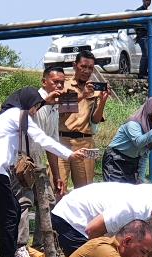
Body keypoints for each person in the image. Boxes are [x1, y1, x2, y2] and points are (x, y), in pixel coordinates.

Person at [0, 87, 87, 257]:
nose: (35, 112)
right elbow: (42, 139)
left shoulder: (8, 115)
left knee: (12, 210)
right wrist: (70, 154)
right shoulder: (17, 115)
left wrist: (47, 101)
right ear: (27, 105)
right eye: (34, 107)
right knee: (10, 213)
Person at [10, 66, 65, 257]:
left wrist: (57, 174)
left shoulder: (54, 107)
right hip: (25, 159)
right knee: (24, 202)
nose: (59, 85)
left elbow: (52, 143)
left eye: (61, 82)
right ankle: (20, 247)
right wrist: (45, 103)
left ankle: (42, 246)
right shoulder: (34, 100)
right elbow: (25, 124)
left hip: (40, 161)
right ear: (44, 82)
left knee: (48, 203)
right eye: (54, 81)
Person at [58, 50, 108, 189]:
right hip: (63, 141)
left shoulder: (95, 90)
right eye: (83, 66)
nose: (86, 71)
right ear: (75, 66)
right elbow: (59, 108)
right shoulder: (63, 85)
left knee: (85, 188)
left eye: (90, 68)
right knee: (58, 185)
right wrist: (82, 95)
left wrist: (103, 101)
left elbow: (95, 120)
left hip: (86, 142)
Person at [102, 95, 152, 184]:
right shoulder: (133, 123)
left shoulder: (150, 128)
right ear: (150, 107)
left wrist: (141, 178)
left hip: (132, 162)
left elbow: (144, 154)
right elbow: (139, 142)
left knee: (131, 193)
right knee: (115, 192)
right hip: (115, 159)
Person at [133, 0, 151, 78]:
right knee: (146, 55)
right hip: (142, 36)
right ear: (143, 1)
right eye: (147, 0)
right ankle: (142, 73)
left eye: (150, 0)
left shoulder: (147, 11)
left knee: (148, 55)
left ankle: (144, 72)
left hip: (147, 36)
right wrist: (140, 31)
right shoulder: (139, 11)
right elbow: (135, 24)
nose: (148, 2)